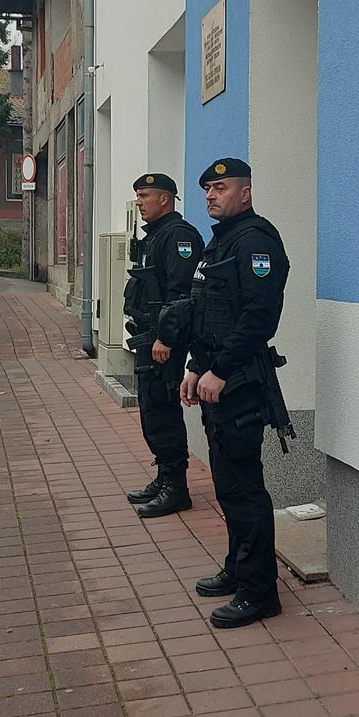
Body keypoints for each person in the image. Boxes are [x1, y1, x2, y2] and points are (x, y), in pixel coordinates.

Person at [179, 157, 290, 628]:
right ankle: (239, 568)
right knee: (227, 484)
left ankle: (259, 592)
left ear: (245, 193)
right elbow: (206, 313)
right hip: (216, 380)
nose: (210, 195)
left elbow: (258, 318)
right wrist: (195, 366)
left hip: (239, 383)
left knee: (244, 489)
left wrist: (220, 370)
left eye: (220, 188)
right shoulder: (220, 241)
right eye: (207, 189)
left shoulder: (256, 241)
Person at [123, 173, 205, 519]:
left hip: (163, 341)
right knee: (151, 410)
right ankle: (164, 476)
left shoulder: (179, 236)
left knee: (162, 411)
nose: (139, 202)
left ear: (164, 199)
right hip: (150, 336)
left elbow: (181, 295)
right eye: (138, 196)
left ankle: (176, 487)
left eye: (144, 196)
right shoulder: (156, 235)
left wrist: (166, 338)